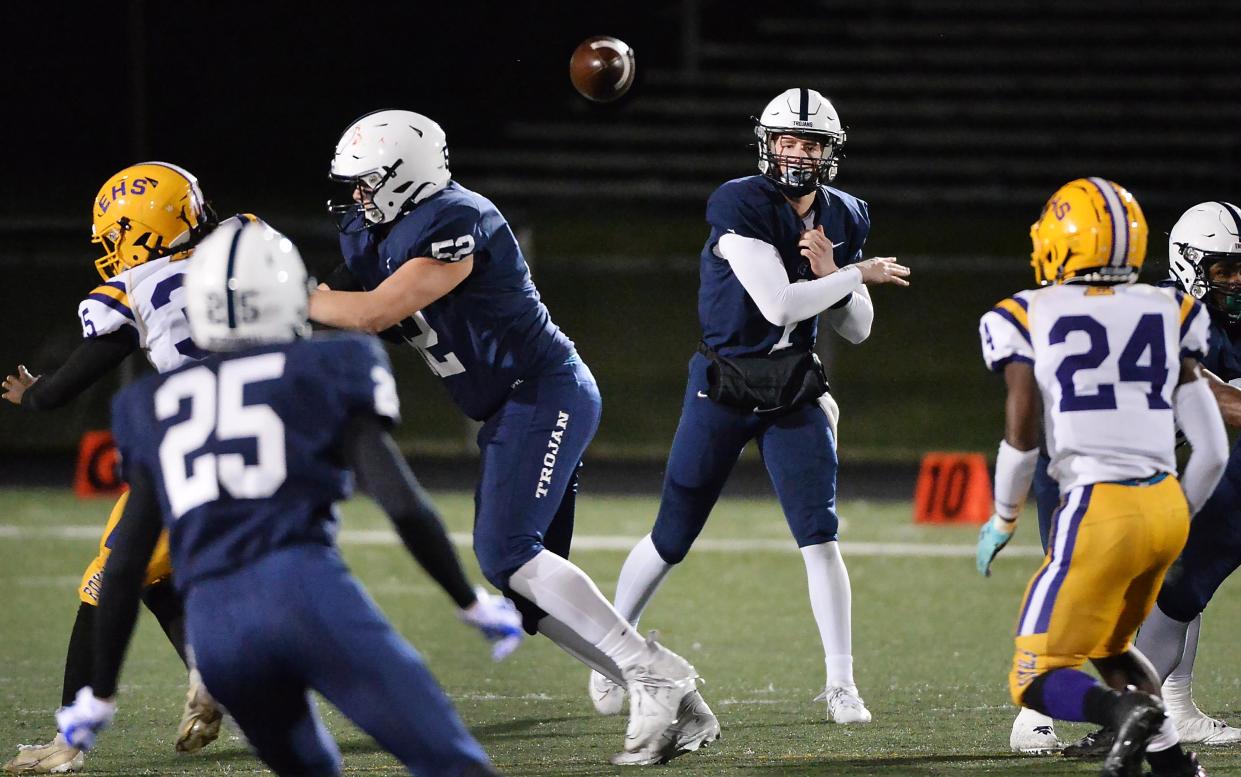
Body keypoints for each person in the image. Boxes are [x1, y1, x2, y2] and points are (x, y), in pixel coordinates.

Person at [308, 109, 714, 766]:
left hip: (543, 390)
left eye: (367, 183)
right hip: (511, 408)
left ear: (404, 178)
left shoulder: (456, 219)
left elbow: (373, 309)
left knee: (504, 551)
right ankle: (683, 702)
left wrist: (289, 294)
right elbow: (340, 304)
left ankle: (651, 672)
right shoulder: (377, 231)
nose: (356, 198)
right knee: (524, 592)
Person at [52, 219, 523, 777]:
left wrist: (100, 695)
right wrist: (469, 600)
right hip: (308, 595)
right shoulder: (333, 364)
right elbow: (402, 504)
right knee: (448, 761)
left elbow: (126, 563)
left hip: (219, 633)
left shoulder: (150, 403)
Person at [590, 88, 911, 725]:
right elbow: (780, 307)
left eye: (810, 142)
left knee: (820, 537)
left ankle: (841, 683)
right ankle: (610, 657)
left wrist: (839, 271)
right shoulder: (741, 204)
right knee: (671, 535)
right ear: (767, 145)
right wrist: (849, 274)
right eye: (788, 140)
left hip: (793, 388)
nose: (797, 152)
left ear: (830, 152)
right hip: (726, 383)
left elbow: (859, 328)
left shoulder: (844, 215)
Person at [975, 177, 1226, 777]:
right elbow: (1213, 449)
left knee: (1032, 676)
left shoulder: (1025, 313)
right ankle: (1174, 768)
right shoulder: (1172, 309)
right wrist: (1178, 517)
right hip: (1165, 501)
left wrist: (1004, 517)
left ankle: (1118, 717)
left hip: (1097, 505)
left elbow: (1022, 438)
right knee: (1112, 646)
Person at [1, 162, 238, 774]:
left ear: (146, 229)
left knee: (102, 585)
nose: (111, 250)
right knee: (155, 577)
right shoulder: (249, 244)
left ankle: (67, 745)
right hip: (280, 438)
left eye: (116, 235)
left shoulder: (137, 287)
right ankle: (206, 669)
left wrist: (31, 391)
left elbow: (63, 388)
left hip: (197, 450)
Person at [1051, 202, 1241, 760]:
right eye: (1224, 268)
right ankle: (1045, 714)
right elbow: (1216, 397)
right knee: (1100, 586)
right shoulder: (1161, 309)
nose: (1236, 279)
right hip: (1096, 459)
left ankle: (1161, 710)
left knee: (1180, 582)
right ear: (1188, 262)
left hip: (1166, 465)